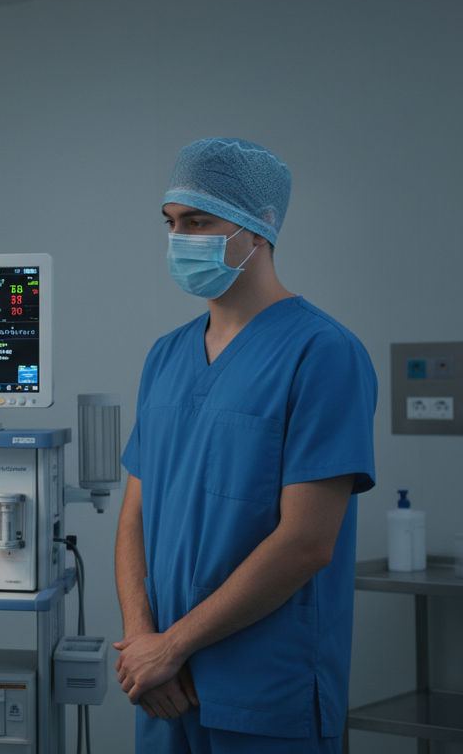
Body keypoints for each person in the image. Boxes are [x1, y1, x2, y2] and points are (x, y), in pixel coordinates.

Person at [113, 138, 376, 753]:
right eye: (172, 223)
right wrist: (143, 643)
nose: (180, 238)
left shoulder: (323, 353)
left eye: (199, 221)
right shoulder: (166, 355)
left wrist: (172, 646)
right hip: (163, 687)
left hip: (263, 691)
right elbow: (134, 516)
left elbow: (307, 543)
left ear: (259, 228)